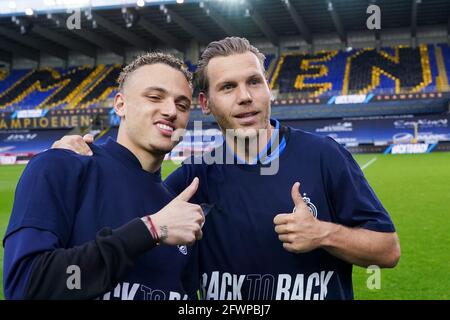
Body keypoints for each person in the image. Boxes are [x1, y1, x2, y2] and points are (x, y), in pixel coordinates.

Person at [53, 37, 401, 300]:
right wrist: (75, 160)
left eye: (254, 82)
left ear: (268, 90)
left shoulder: (325, 156)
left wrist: (324, 234)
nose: (245, 96)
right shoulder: (192, 180)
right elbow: (118, 221)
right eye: (228, 87)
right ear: (205, 103)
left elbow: (388, 250)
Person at [2, 52, 205, 300]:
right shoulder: (59, 167)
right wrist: (149, 230)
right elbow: (26, 286)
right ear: (120, 104)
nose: (171, 111)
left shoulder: (178, 213)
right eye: (155, 97)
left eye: (182, 105)